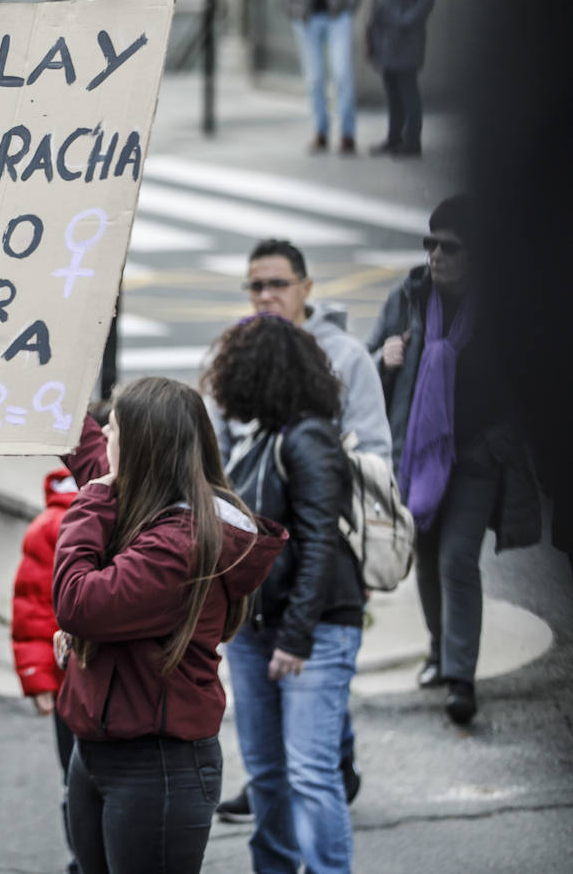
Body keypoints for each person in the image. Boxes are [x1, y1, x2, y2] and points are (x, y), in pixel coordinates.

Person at [53, 377, 284, 874]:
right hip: (98, 751)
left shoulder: (178, 545)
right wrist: (48, 392)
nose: (106, 438)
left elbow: (78, 602)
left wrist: (90, 500)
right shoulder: (149, 501)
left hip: (154, 767)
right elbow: (91, 450)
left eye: (114, 429)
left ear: (141, 449)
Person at [213, 237, 389, 823]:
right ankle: (309, 775)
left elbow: (374, 458)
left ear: (307, 288)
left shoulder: (343, 364)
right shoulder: (241, 352)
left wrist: (354, 561)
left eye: (277, 284)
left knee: (310, 761)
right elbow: (214, 455)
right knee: (275, 764)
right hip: (257, 594)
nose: (265, 295)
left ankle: (334, 763)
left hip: (318, 579)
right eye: (255, 285)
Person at [366, 196, 540, 723]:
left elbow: (533, 383)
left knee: (457, 558)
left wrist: (504, 437)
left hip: (477, 456)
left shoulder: (503, 308)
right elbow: (365, 362)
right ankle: (440, 651)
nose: (436, 255)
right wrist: (384, 359)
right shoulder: (411, 295)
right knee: (426, 553)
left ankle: (460, 677)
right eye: (430, 243)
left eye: (450, 247)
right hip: (418, 454)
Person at [205, 314, 364, 874]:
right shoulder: (263, 438)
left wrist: (294, 638)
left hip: (314, 630)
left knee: (310, 771)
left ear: (255, 375)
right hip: (260, 629)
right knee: (268, 771)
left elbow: (320, 540)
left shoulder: (308, 437)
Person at [9, 464, 81, 874]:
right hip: (67, 682)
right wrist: (37, 676)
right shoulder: (51, 525)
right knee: (74, 776)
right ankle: (81, 857)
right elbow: (33, 606)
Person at [281, 0, 362, 154]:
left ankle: (347, 134)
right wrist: (294, 8)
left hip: (338, 15)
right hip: (307, 19)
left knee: (342, 73)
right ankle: (320, 132)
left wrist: (349, 4)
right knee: (314, 78)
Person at [365, 0, 436, 157]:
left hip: (406, 40)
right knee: (392, 91)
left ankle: (412, 141)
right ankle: (394, 137)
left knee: (408, 90)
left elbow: (425, 2)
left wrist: (403, 21)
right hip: (384, 39)